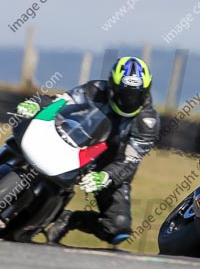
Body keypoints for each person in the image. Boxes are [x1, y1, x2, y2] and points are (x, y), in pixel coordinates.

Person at [17, 56, 160, 246]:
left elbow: (131, 160)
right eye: (124, 93)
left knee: (118, 228)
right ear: (112, 86)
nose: (129, 100)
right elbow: (63, 100)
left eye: (135, 95)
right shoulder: (96, 89)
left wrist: (106, 176)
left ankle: (69, 219)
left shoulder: (148, 122)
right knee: (27, 136)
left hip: (111, 165)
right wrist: (37, 104)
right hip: (78, 144)